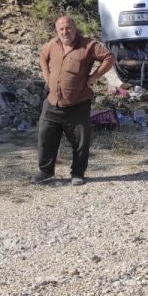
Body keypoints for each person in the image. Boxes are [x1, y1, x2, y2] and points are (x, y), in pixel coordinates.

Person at [35, 16, 115, 185]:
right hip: (52, 103)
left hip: (77, 104)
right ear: (57, 31)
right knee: (45, 138)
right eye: (61, 29)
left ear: (75, 28)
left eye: (68, 28)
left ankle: (78, 173)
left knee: (80, 142)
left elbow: (109, 57)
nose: (65, 32)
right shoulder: (52, 45)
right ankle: (45, 171)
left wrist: (95, 76)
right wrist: (47, 76)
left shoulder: (89, 45)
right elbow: (42, 57)